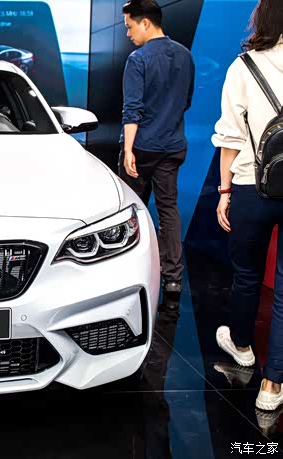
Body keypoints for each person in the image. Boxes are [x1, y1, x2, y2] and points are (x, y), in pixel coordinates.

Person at [213, 0, 283, 411]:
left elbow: (230, 137)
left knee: (246, 274)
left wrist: (224, 192)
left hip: (250, 186)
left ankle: (241, 346)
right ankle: (272, 386)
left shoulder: (243, 67)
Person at [119, 0, 194, 297]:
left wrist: (128, 149)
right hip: (171, 146)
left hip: (141, 148)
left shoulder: (137, 59)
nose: (128, 34)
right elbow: (186, 101)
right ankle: (173, 279)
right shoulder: (185, 55)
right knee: (168, 211)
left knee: (128, 215)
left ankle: (127, 274)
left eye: (130, 27)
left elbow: (132, 110)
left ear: (146, 23)